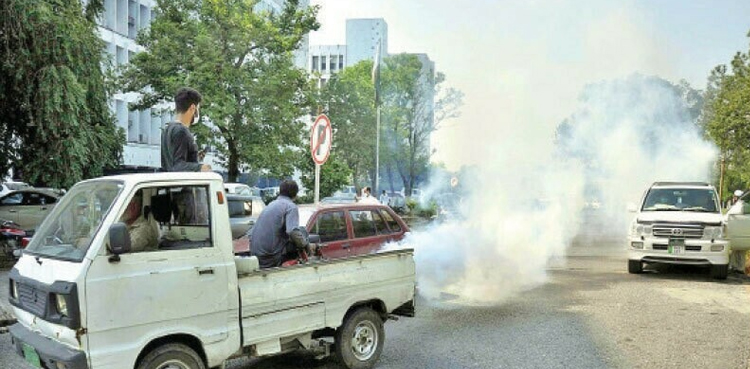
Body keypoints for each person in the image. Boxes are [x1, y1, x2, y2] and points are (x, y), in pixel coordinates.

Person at [249, 180, 309, 268]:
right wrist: (306, 244)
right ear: (295, 194)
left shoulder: (271, 205)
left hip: (256, 254)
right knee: (302, 231)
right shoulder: (290, 206)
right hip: (271, 257)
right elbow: (292, 231)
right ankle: (307, 264)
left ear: (280, 191)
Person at [161, 87, 211, 172]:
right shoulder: (182, 131)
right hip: (182, 184)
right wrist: (200, 168)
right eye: (197, 109)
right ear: (192, 108)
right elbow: (177, 166)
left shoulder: (167, 129)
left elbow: (171, 163)